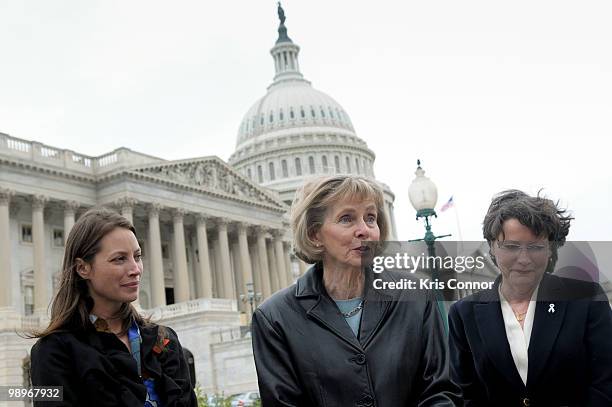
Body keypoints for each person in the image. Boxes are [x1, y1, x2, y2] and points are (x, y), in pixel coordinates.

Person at [251, 175, 460, 406]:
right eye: (347, 219)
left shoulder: (417, 295)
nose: (364, 230)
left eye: (370, 218)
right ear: (314, 234)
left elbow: (441, 392)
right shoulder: (274, 319)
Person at [448, 190, 612, 406]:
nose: (524, 259)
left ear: (550, 250)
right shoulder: (463, 314)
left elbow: (606, 384)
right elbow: (464, 394)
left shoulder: (587, 299)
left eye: (535, 247)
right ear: (492, 247)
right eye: (511, 246)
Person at [30, 208, 197, 407]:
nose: (135, 269)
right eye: (119, 259)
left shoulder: (164, 340)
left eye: (137, 256)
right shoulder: (52, 352)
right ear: (83, 268)